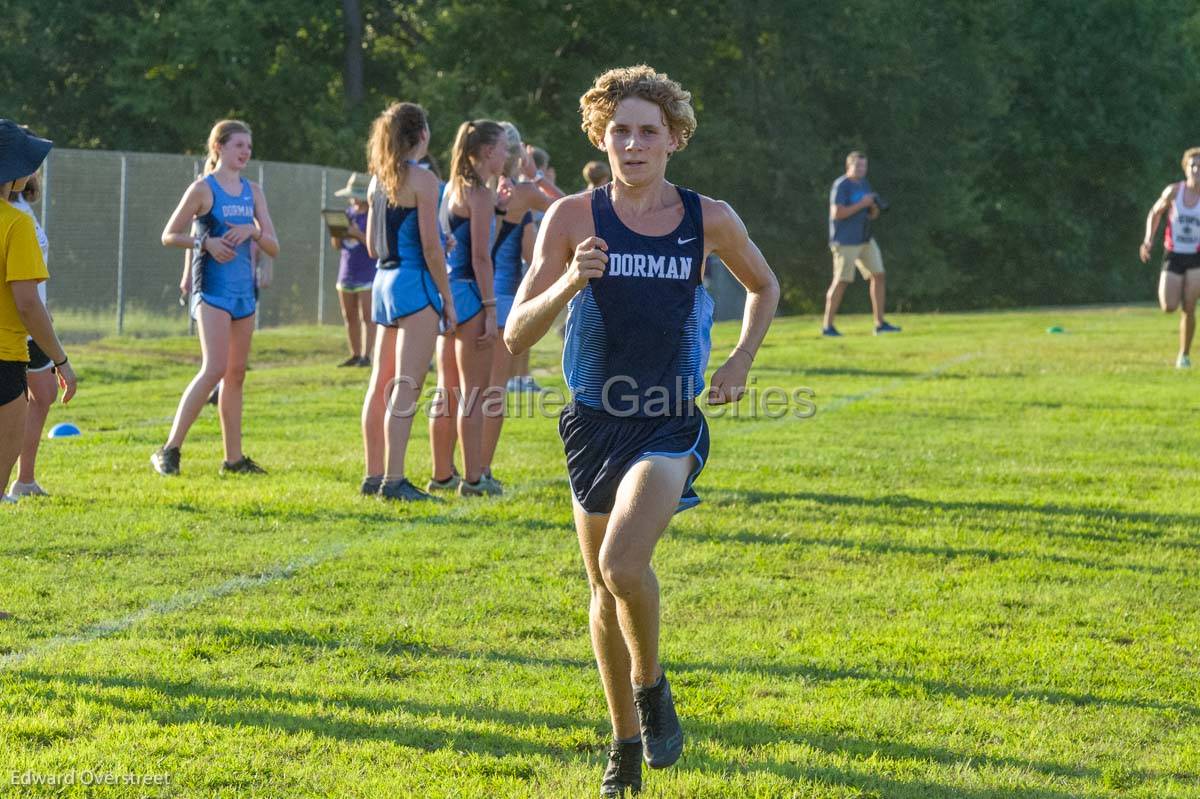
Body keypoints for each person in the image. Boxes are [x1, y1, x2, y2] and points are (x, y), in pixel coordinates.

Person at [505, 66, 778, 797]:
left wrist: (740, 360)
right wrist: (568, 283)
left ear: (674, 140)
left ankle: (652, 688)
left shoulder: (706, 217)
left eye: (647, 131)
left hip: (668, 421)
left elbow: (764, 284)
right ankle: (626, 741)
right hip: (592, 425)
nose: (632, 143)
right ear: (601, 135)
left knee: (625, 565)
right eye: (619, 130)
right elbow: (512, 333)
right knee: (601, 589)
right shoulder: (571, 218)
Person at [153, 119, 279, 476]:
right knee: (215, 368)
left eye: (249, 147)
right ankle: (169, 449)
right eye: (239, 145)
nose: (245, 152)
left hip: (244, 293)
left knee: (236, 374)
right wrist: (203, 243)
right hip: (212, 290)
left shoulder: (254, 191)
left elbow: (274, 245)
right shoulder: (202, 189)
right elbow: (169, 234)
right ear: (219, 147)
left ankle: (233, 459)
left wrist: (252, 231)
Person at [359, 102, 456, 500]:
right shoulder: (424, 178)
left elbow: (370, 244)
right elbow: (432, 249)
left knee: (379, 382)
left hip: (383, 281)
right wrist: (447, 299)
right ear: (422, 134)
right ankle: (395, 481)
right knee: (406, 386)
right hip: (413, 284)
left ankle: (373, 473)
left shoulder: (378, 179)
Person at [477, 122, 564, 484]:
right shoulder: (522, 193)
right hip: (501, 297)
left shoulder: (462, 188)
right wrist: (538, 174)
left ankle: (448, 470)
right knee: (494, 390)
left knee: (459, 390)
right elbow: (567, 207)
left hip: (465, 293)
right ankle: (480, 470)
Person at [0, 120, 77, 506]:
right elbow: (26, 301)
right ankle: (18, 481)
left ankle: (24, 480)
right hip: (10, 344)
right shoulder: (15, 222)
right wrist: (61, 358)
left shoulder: (21, 214)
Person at [437, 119, 507, 497]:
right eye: (503, 148)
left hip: (448, 294)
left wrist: (496, 211)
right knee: (475, 394)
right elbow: (481, 257)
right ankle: (475, 478)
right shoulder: (478, 192)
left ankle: (441, 473)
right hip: (471, 295)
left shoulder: (452, 188)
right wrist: (492, 309)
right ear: (486, 152)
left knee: (446, 390)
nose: (508, 154)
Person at [8, 172, 56, 498]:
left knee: (45, 393)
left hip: (35, 321)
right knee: (12, 405)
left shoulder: (24, 203)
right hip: (14, 325)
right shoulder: (7, 212)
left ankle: (25, 481)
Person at [821, 151, 899, 336]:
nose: (861, 169)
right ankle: (827, 327)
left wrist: (872, 208)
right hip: (846, 241)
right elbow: (837, 214)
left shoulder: (864, 184)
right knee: (841, 281)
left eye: (864, 166)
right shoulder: (841, 185)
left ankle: (879, 324)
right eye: (858, 166)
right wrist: (862, 204)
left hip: (865, 239)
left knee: (879, 275)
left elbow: (871, 214)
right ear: (849, 166)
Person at [1140, 147, 1200, 368]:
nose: (1196, 169)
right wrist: (1148, 239)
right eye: (1192, 165)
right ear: (1186, 168)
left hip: (1196, 256)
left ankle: (1184, 355)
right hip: (1174, 254)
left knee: (1190, 307)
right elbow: (1155, 213)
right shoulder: (1174, 192)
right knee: (1168, 305)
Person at [332, 172, 376, 367]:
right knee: (348, 315)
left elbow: (374, 246)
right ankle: (355, 354)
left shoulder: (372, 214)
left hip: (368, 273)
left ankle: (367, 356)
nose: (353, 199)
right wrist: (337, 232)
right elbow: (337, 245)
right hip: (346, 272)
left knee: (367, 316)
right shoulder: (348, 213)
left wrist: (357, 234)